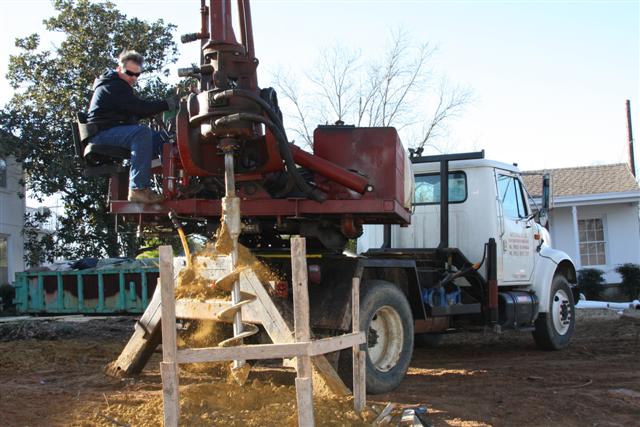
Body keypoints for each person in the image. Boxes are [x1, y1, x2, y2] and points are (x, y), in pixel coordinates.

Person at [87, 50, 178, 204]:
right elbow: (139, 108)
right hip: (102, 134)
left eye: (137, 74)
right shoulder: (114, 85)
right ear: (119, 69)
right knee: (141, 134)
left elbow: (134, 111)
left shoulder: (120, 85)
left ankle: (174, 187)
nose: (133, 78)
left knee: (163, 139)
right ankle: (138, 189)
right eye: (129, 73)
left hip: (114, 130)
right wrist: (167, 104)